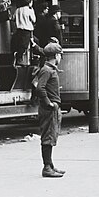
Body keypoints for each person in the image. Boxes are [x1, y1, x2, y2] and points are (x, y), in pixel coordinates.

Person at [34, 42, 66, 178]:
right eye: (60, 55)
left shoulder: (50, 69)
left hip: (52, 108)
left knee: (51, 136)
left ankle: (50, 165)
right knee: (48, 137)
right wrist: (49, 103)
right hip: (49, 109)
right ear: (56, 56)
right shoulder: (47, 70)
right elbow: (40, 88)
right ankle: (47, 167)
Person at [12, 0, 36, 66]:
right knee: (25, 46)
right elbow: (34, 20)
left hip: (18, 30)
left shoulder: (18, 10)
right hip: (27, 30)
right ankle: (22, 60)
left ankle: (17, 58)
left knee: (19, 45)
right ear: (30, 2)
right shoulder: (29, 10)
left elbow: (13, 18)